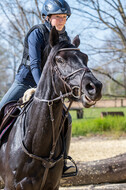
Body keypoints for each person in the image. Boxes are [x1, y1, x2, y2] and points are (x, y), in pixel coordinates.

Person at [0, 0, 77, 177]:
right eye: (58, 17)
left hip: (50, 89)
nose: (62, 20)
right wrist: (40, 87)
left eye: (64, 17)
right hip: (25, 82)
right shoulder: (36, 33)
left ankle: (63, 162)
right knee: (1, 109)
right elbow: (35, 64)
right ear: (47, 17)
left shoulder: (64, 38)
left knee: (68, 118)